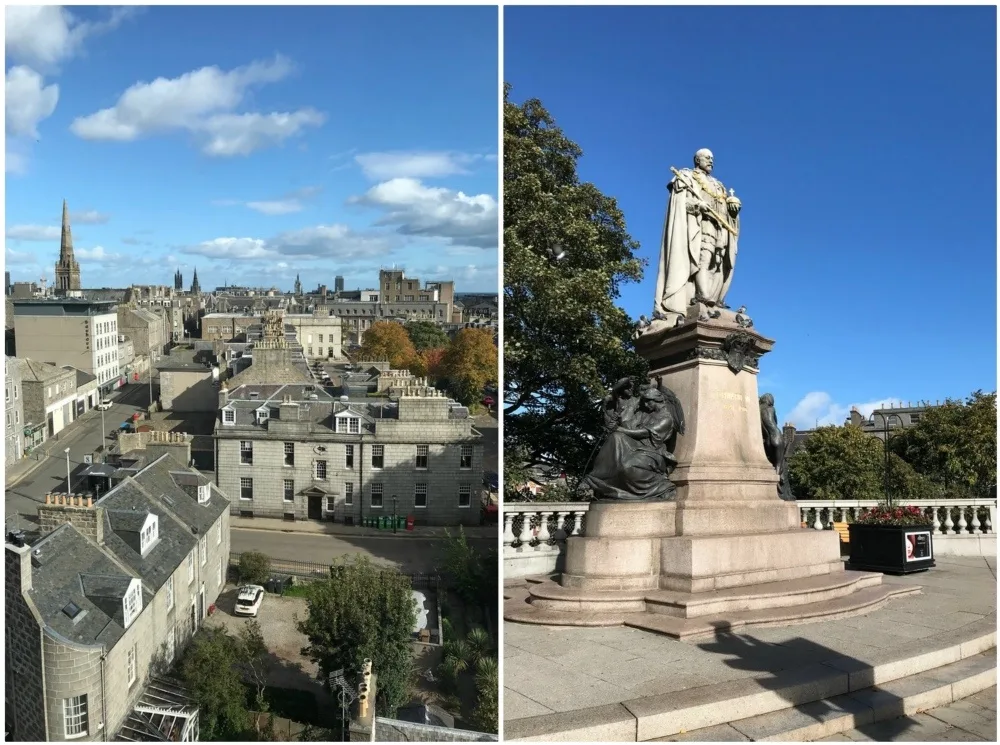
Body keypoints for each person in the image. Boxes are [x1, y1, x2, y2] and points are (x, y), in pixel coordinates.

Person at [653, 149, 742, 325]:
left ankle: (712, 297)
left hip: (720, 230)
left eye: (712, 159)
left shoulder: (719, 185)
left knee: (717, 263)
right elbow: (681, 202)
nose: (711, 161)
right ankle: (703, 296)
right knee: (703, 258)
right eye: (707, 158)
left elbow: (726, 211)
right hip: (700, 226)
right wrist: (697, 204)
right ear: (697, 159)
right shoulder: (687, 177)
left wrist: (733, 212)